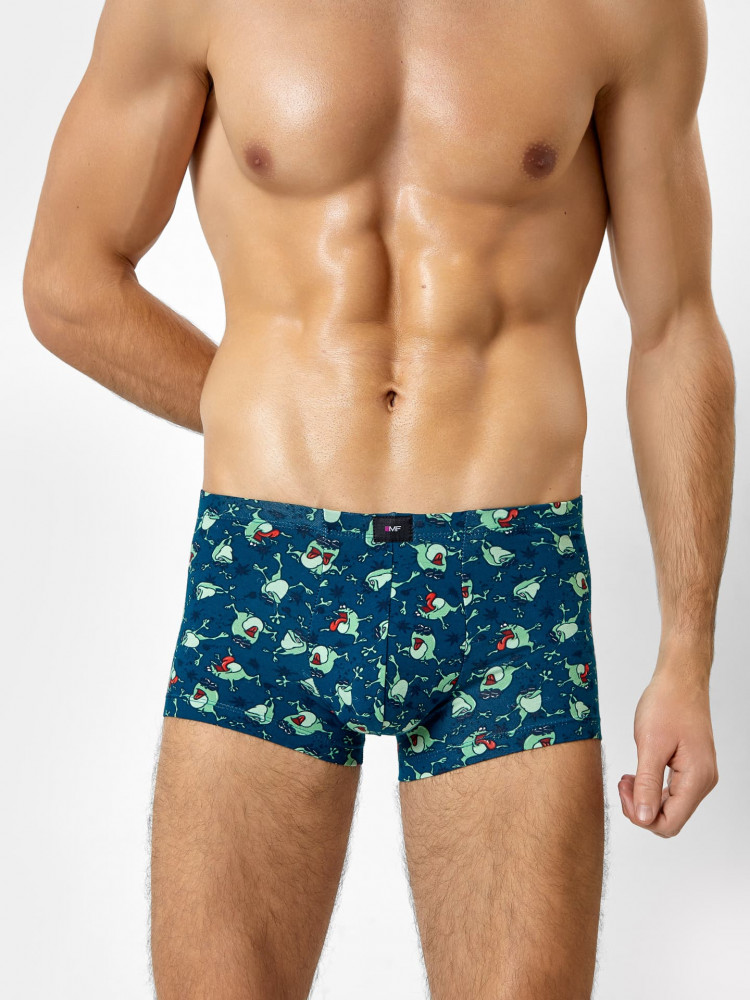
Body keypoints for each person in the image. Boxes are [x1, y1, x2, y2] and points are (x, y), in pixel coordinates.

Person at [22, 0, 735, 996]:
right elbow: (67, 280)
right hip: (268, 563)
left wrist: (687, 654)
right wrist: (260, 408)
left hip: (508, 579)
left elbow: (675, 328)